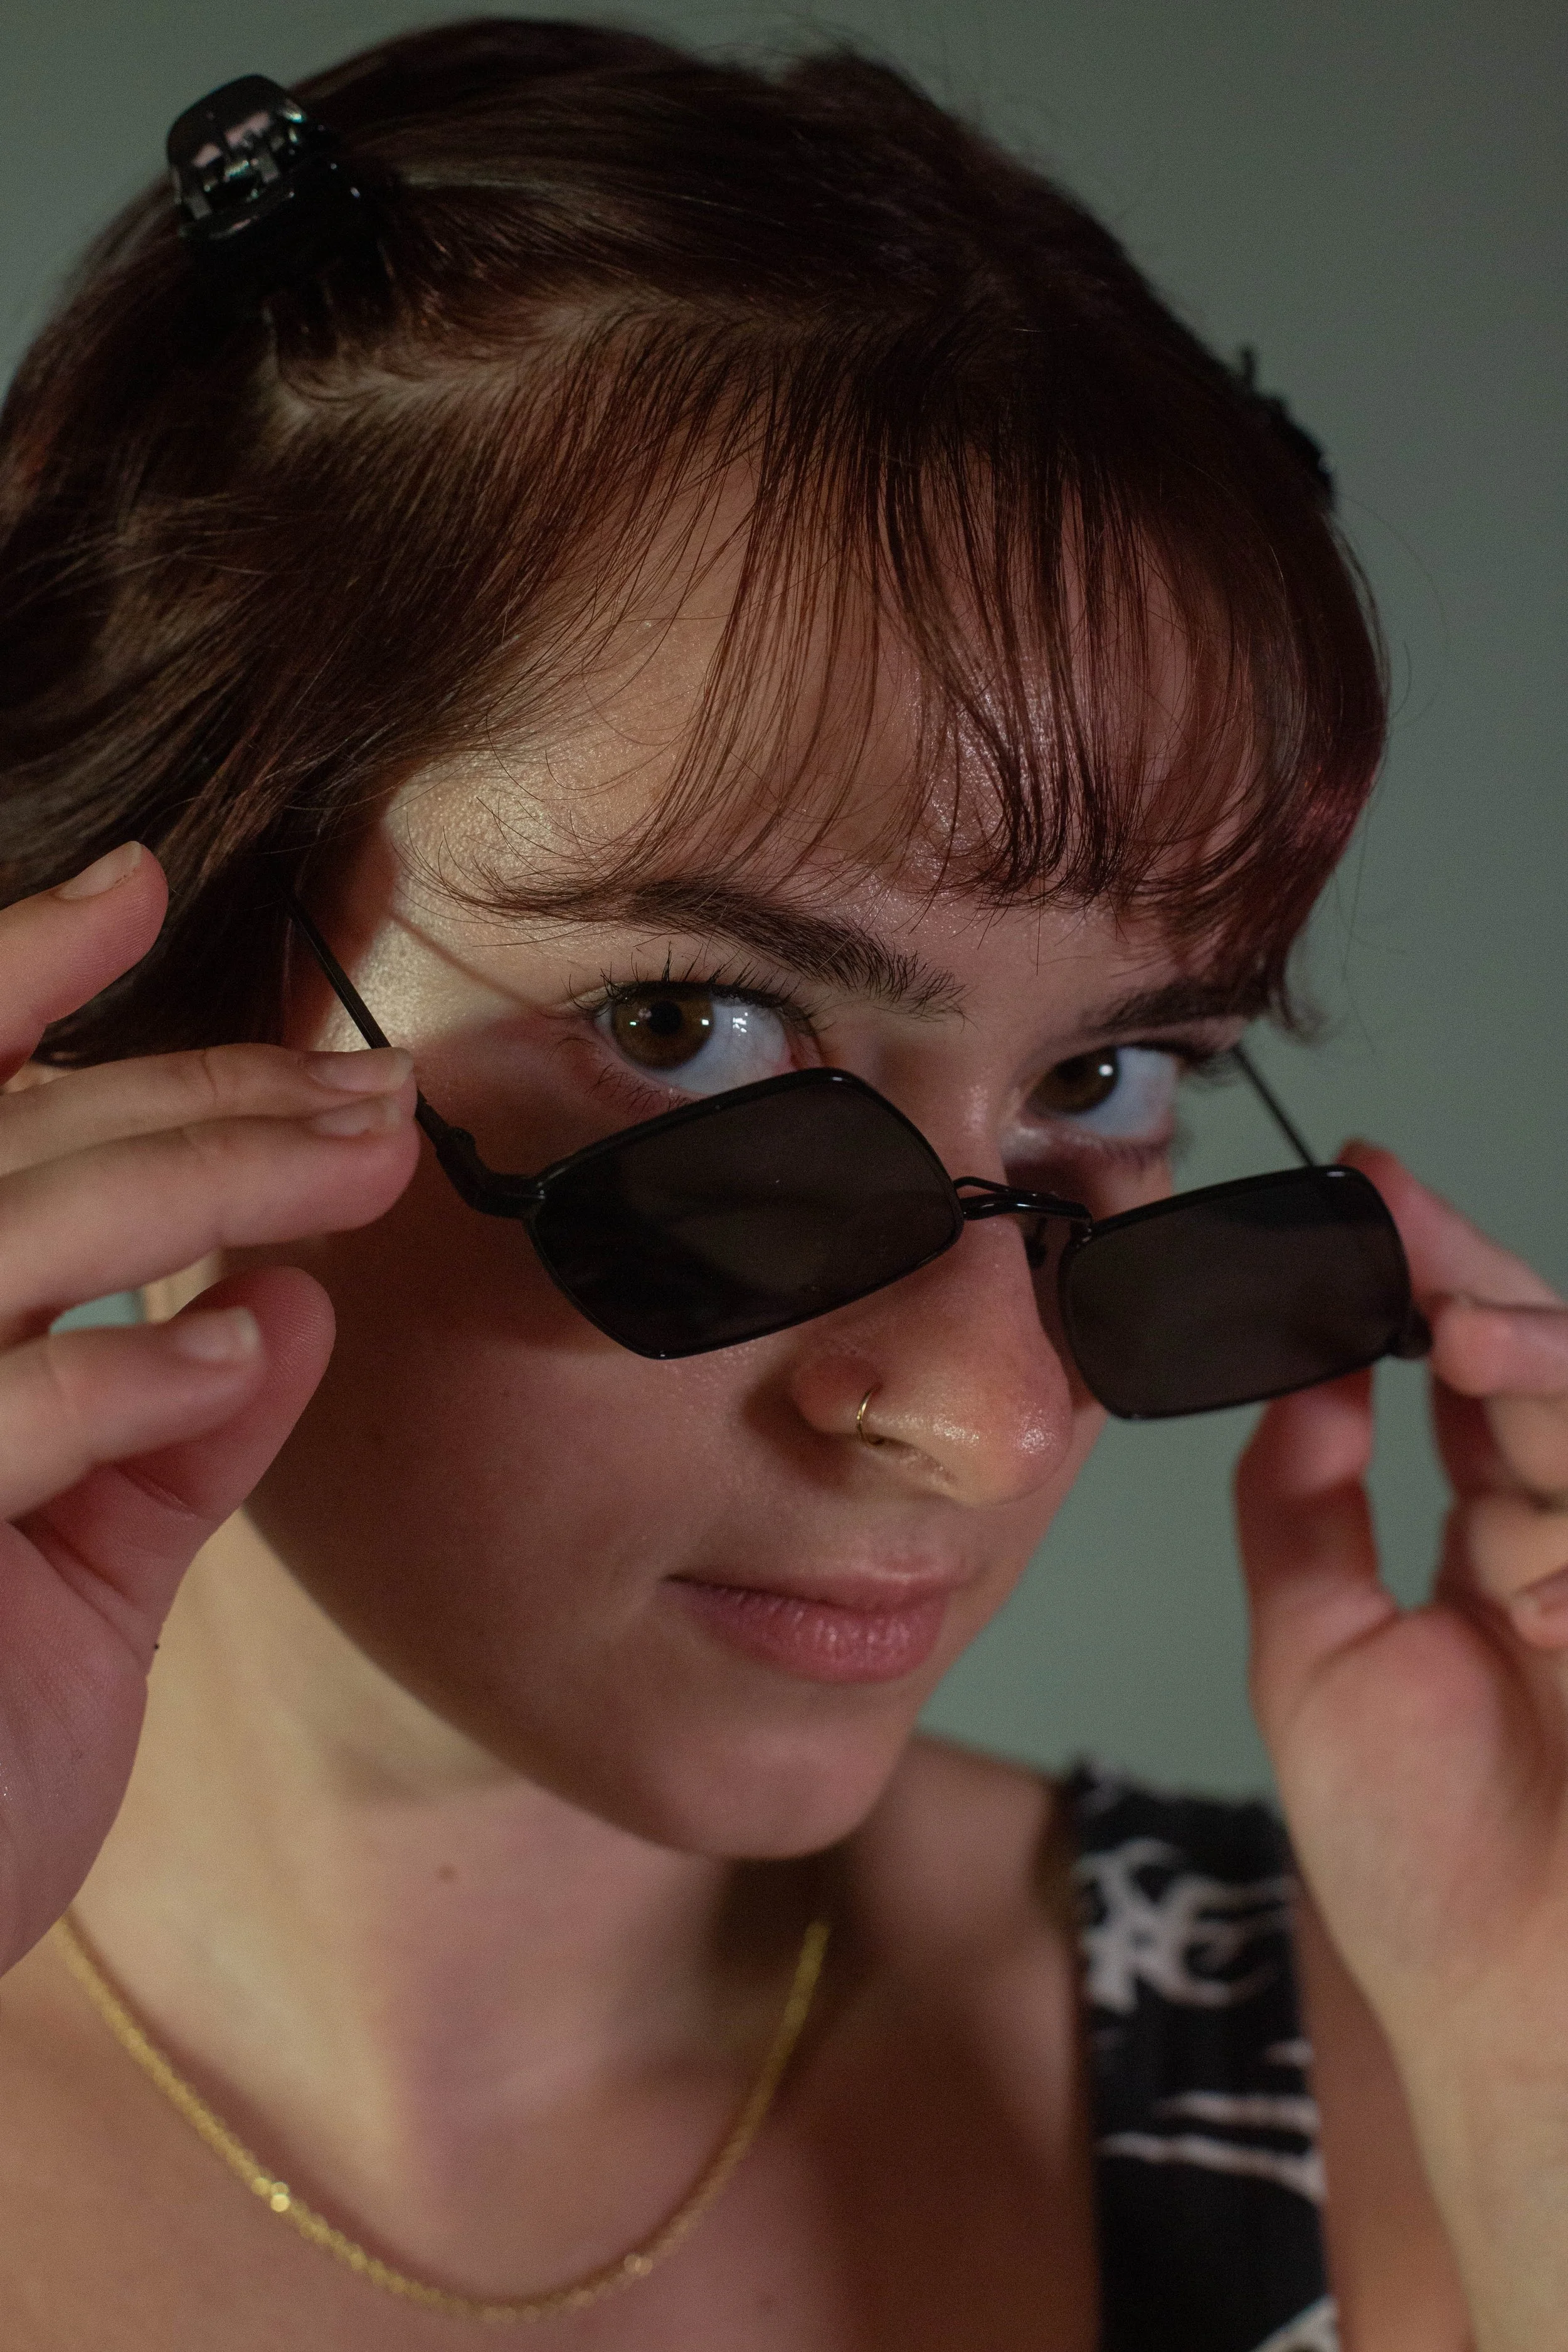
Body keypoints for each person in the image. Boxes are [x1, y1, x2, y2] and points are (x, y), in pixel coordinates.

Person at [0, 19, 1560, 2349]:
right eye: (684, 1031)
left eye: (1114, 1069)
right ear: (135, 974)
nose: (989, 1419)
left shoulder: (1412, 2087)